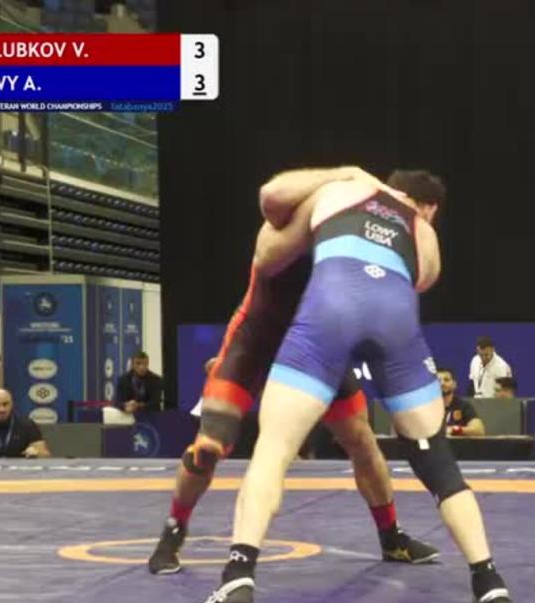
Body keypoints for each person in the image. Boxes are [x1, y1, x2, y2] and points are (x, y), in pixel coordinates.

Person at [190, 168, 513, 603]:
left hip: (330, 309)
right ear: (430, 207)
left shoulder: (342, 189)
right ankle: (489, 580)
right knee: (438, 463)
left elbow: (270, 220)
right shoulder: (423, 229)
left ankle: (238, 575)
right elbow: (424, 279)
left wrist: (336, 195)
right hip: (395, 321)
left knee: (273, 450)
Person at [147, 166, 440, 577]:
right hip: (258, 342)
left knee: (361, 439)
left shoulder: (366, 235)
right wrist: (348, 175)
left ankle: (392, 537)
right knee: (209, 448)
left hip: (314, 348)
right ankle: (173, 532)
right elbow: (270, 206)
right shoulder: (309, 215)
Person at [439, 367, 485, 436]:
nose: (442, 383)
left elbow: (479, 430)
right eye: (438, 381)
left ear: (454, 384)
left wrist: (453, 430)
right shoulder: (426, 406)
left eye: (446, 380)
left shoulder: (463, 406)